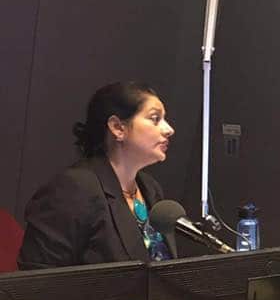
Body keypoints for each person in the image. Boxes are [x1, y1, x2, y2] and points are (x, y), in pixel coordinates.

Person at [19, 81, 176, 269]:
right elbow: (40, 276)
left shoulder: (150, 188)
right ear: (118, 128)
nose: (169, 129)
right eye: (155, 118)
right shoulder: (74, 188)